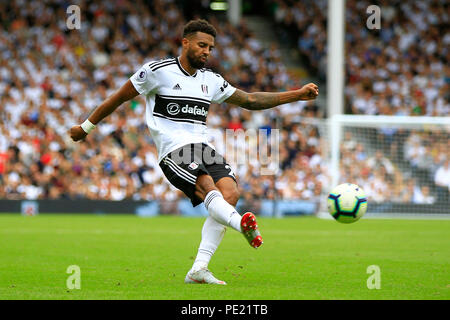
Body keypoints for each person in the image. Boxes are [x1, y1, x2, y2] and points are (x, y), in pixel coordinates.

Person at [69, 19, 318, 285]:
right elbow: (118, 98)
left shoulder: (210, 80)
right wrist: (86, 127)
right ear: (185, 42)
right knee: (206, 185)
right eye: (202, 45)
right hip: (173, 149)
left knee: (231, 193)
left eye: (210, 47)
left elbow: (250, 100)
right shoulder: (157, 71)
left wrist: (297, 94)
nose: (207, 52)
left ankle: (198, 269)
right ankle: (241, 225)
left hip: (203, 148)